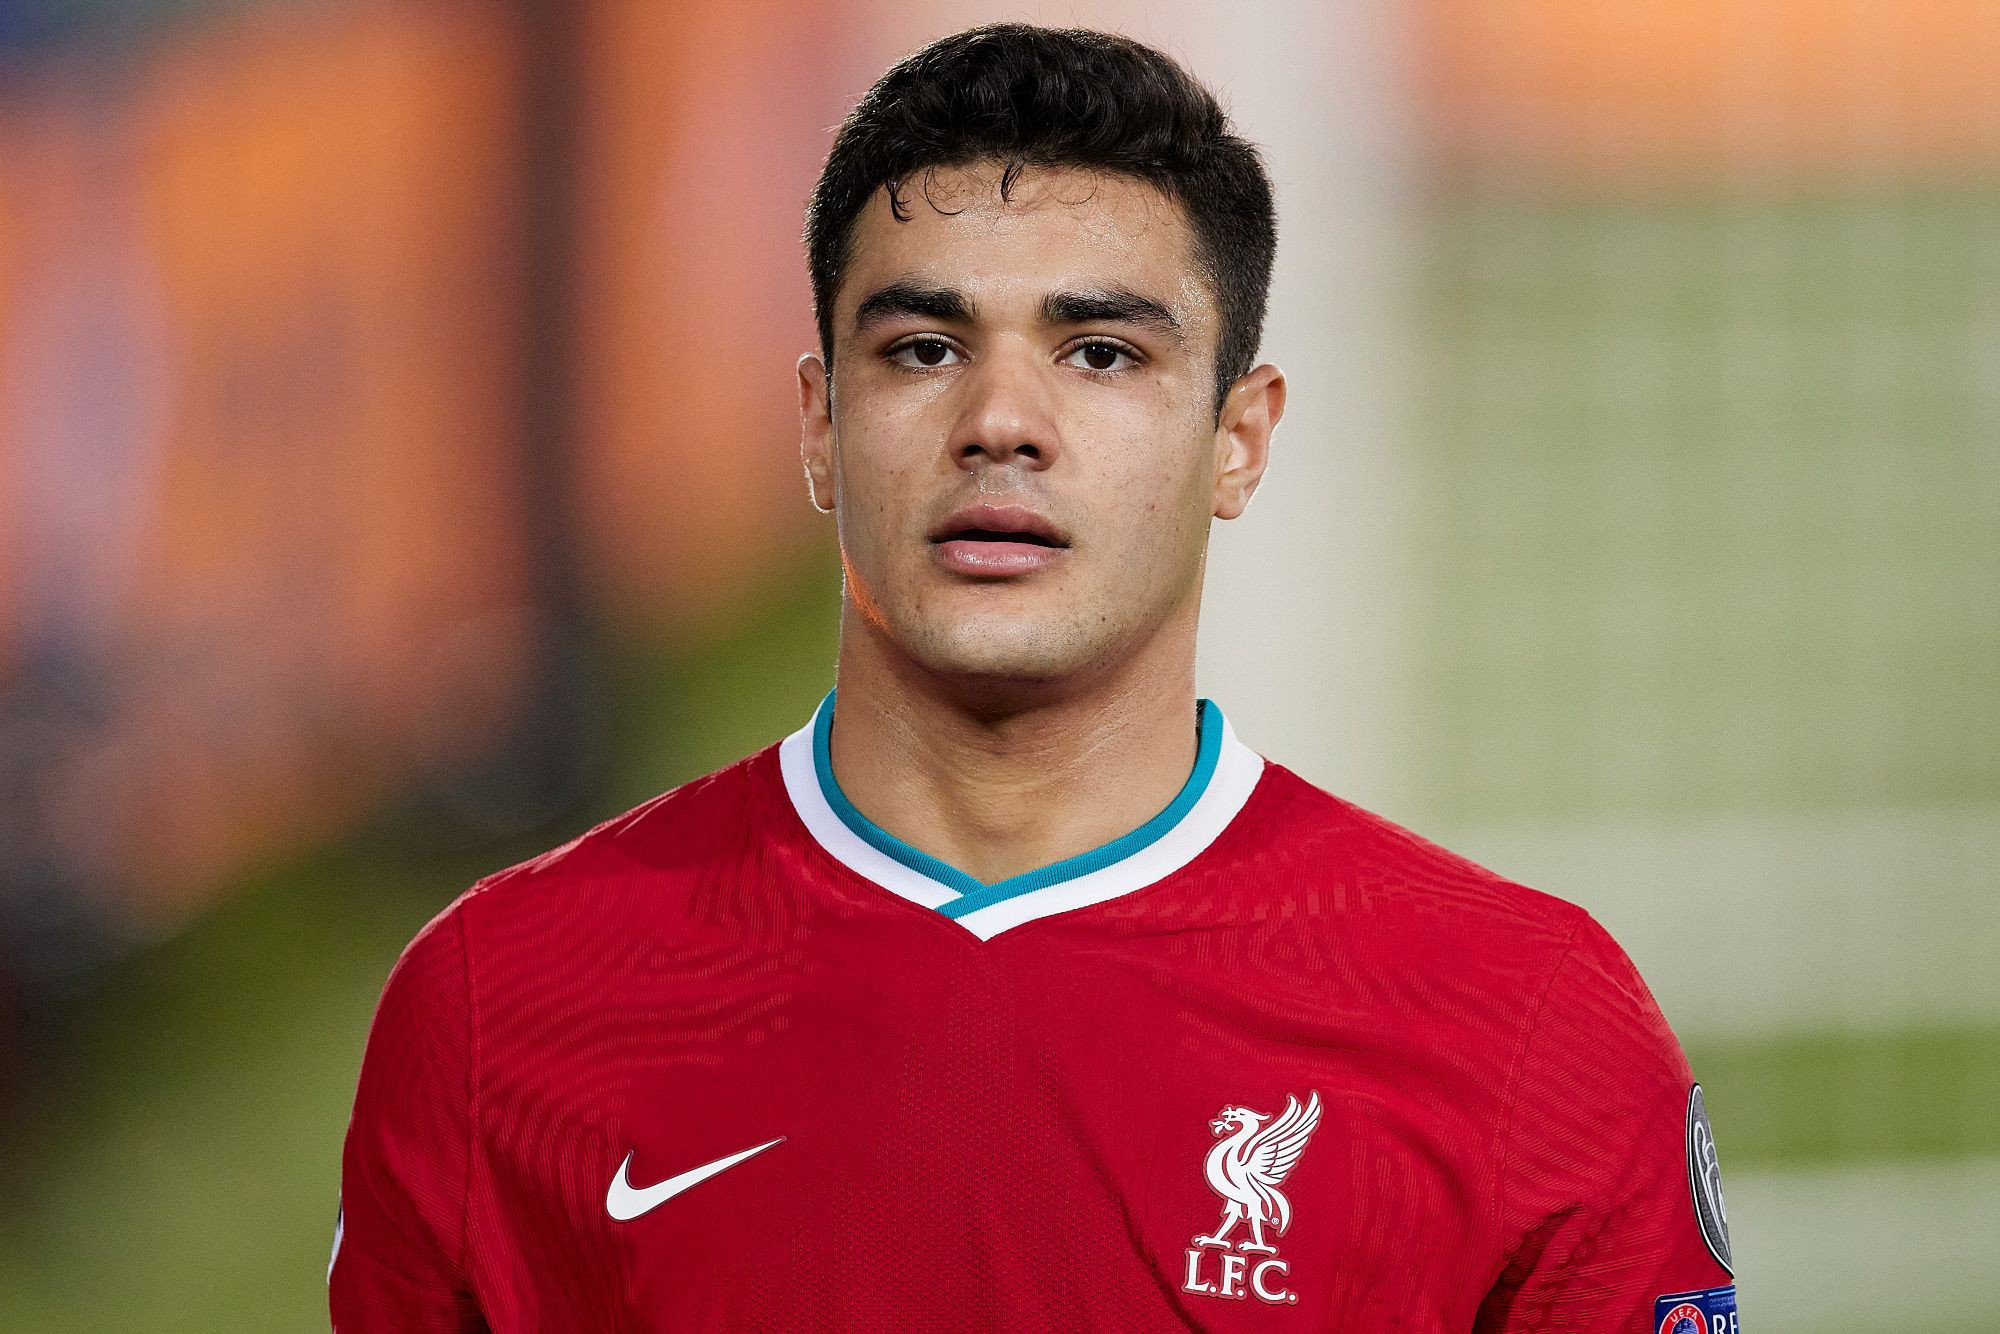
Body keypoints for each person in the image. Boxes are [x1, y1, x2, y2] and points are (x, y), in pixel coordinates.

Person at [330, 22, 1739, 1332]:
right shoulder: (493, 1006)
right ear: (820, 424)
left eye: (1102, 353)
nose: (1002, 421)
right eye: (923, 350)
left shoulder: (1531, 1028)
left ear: (1240, 439)